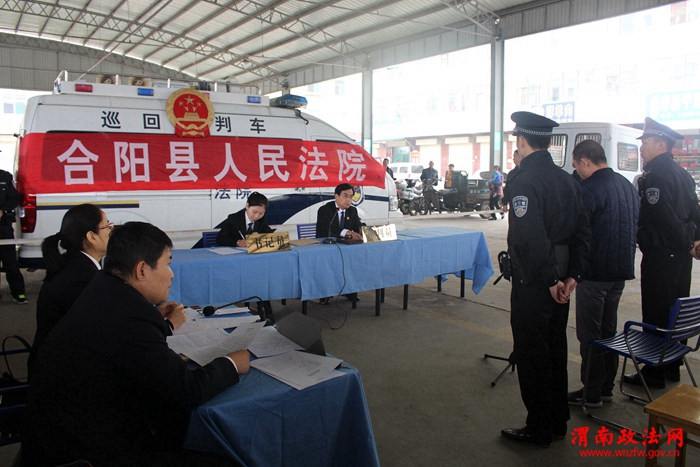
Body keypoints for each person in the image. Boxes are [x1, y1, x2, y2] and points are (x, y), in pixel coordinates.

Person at [24, 221, 250, 466]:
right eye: (167, 264)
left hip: (62, 430)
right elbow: (188, 391)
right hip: (87, 452)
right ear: (142, 270)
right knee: (230, 457)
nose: (172, 274)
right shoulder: (131, 316)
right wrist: (231, 363)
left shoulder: (104, 287)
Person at [501, 111, 590, 448]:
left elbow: (532, 237)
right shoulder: (568, 180)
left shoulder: (523, 181)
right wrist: (572, 276)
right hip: (561, 282)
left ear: (522, 141)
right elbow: (583, 232)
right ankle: (557, 422)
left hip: (536, 282)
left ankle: (538, 428)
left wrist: (551, 280)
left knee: (532, 354)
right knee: (555, 349)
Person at [623, 117, 700, 389]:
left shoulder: (656, 176)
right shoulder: (681, 173)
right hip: (680, 259)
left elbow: (664, 218)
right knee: (675, 310)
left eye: (646, 142)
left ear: (661, 145)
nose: (642, 148)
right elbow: (695, 210)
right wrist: (695, 241)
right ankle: (672, 367)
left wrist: (687, 242)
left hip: (662, 255)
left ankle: (654, 373)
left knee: (656, 312)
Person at [567, 140, 639, 407]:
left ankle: (591, 393)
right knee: (609, 331)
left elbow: (581, 234)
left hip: (595, 274)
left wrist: (573, 272)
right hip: (620, 273)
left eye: (577, 166)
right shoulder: (626, 185)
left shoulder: (589, 189)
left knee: (590, 335)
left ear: (585, 161)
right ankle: (606, 387)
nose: (577, 171)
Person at [28, 204, 111, 375]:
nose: (112, 229)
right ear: (91, 237)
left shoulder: (73, 264)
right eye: (107, 225)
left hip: (51, 365)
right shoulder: (83, 279)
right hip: (61, 374)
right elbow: (102, 332)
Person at [315, 183, 363, 304]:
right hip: (325, 247)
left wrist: (362, 230)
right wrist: (347, 232)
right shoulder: (325, 210)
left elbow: (357, 225)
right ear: (336, 196)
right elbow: (328, 228)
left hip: (345, 248)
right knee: (328, 267)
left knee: (353, 262)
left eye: (351, 196)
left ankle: (349, 290)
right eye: (345, 196)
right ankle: (325, 294)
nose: (348, 200)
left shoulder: (352, 210)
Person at [0, 164, 26, 304]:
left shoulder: (5, 176)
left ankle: (18, 293)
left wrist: (3, 210)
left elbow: (14, 198)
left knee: (10, 262)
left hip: (4, 226)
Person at [502, 150, 522, 214]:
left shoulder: (527, 172)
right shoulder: (512, 173)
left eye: (514, 156)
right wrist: (505, 203)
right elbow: (507, 189)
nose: (513, 159)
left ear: (520, 157)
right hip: (513, 204)